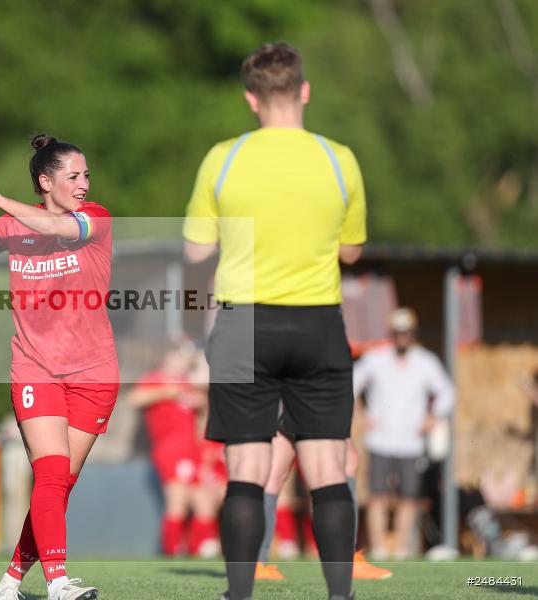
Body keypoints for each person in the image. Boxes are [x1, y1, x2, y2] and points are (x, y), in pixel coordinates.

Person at [183, 42, 366, 600]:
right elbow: (352, 252)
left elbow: (195, 254)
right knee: (327, 464)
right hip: (317, 324)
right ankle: (340, 595)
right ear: (303, 91)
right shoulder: (341, 159)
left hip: (243, 324)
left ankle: (239, 594)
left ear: (250, 99)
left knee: (246, 465)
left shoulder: (224, 157)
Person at [0, 134, 118, 600]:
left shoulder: (94, 219)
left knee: (59, 487)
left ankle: (12, 580)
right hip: (35, 367)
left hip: (94, 372)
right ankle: (58, 583)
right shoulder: (7, 231)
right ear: (45, 181)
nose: (84, 184)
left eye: (86, 175)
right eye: (73, 176)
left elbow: (60, 231)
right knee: (51, 474)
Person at [354, 307, 455, 560]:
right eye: (398, 332)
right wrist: (360, 414)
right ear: (392, 333)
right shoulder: (375, 359)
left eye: (406, 332)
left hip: (411, 443)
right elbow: (351, 384)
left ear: (413, 333)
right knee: (376, 495)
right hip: (379, 441)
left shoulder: (426, 361)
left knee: (408, 498)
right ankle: (377, 549)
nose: (402, 336)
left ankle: (400, 549)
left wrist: (432, 417)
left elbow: (448, 393)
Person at [258, 432, 393, 580]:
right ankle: (346, 560)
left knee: (277, 467)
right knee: (345, 461)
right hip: (318, 411)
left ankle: (256, 564)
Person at [128, 342, 211, 557]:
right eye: (177, 357)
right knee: (178, 500)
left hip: (193, 449)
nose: (180, 363)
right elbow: (135, 398)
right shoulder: (155, 379)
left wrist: (200, 401)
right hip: (170, 449)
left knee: (203, 501)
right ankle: (172, 549)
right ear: (167, 358)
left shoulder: (189, 384)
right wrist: (169, 391)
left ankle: (199, 548)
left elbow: (203, 410)